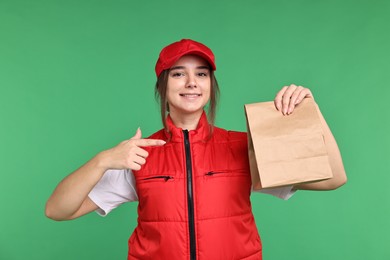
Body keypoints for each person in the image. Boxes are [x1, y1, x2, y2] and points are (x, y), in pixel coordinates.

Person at [45, 39, 347, 260]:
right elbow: (57, 210)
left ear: (210, 86)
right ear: (162, 87)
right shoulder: (139, 155)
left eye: (201, 74)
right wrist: (103, 160)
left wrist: (311, 111)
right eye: (178, 73)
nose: (191, 82)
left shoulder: (244, 146)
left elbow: (333, 178)